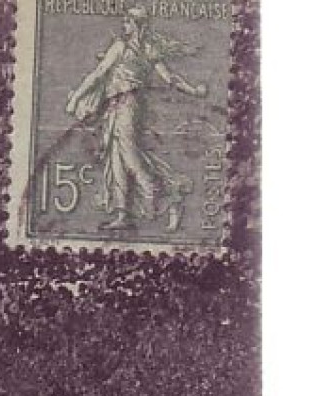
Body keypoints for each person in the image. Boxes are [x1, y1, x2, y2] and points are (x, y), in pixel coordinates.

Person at [65, 7, 207, 232]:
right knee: (116, 159)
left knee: (130, 157)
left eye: (128, 22)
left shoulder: (127, 48)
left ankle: (168, 198)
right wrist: (194, 90)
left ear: (137, 25)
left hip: (128, 107)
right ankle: (123, 214)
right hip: (115, 107)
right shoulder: (139, 48)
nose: (124, 26)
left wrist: (75, 98)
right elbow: (101, 72)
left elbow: (101, 73)